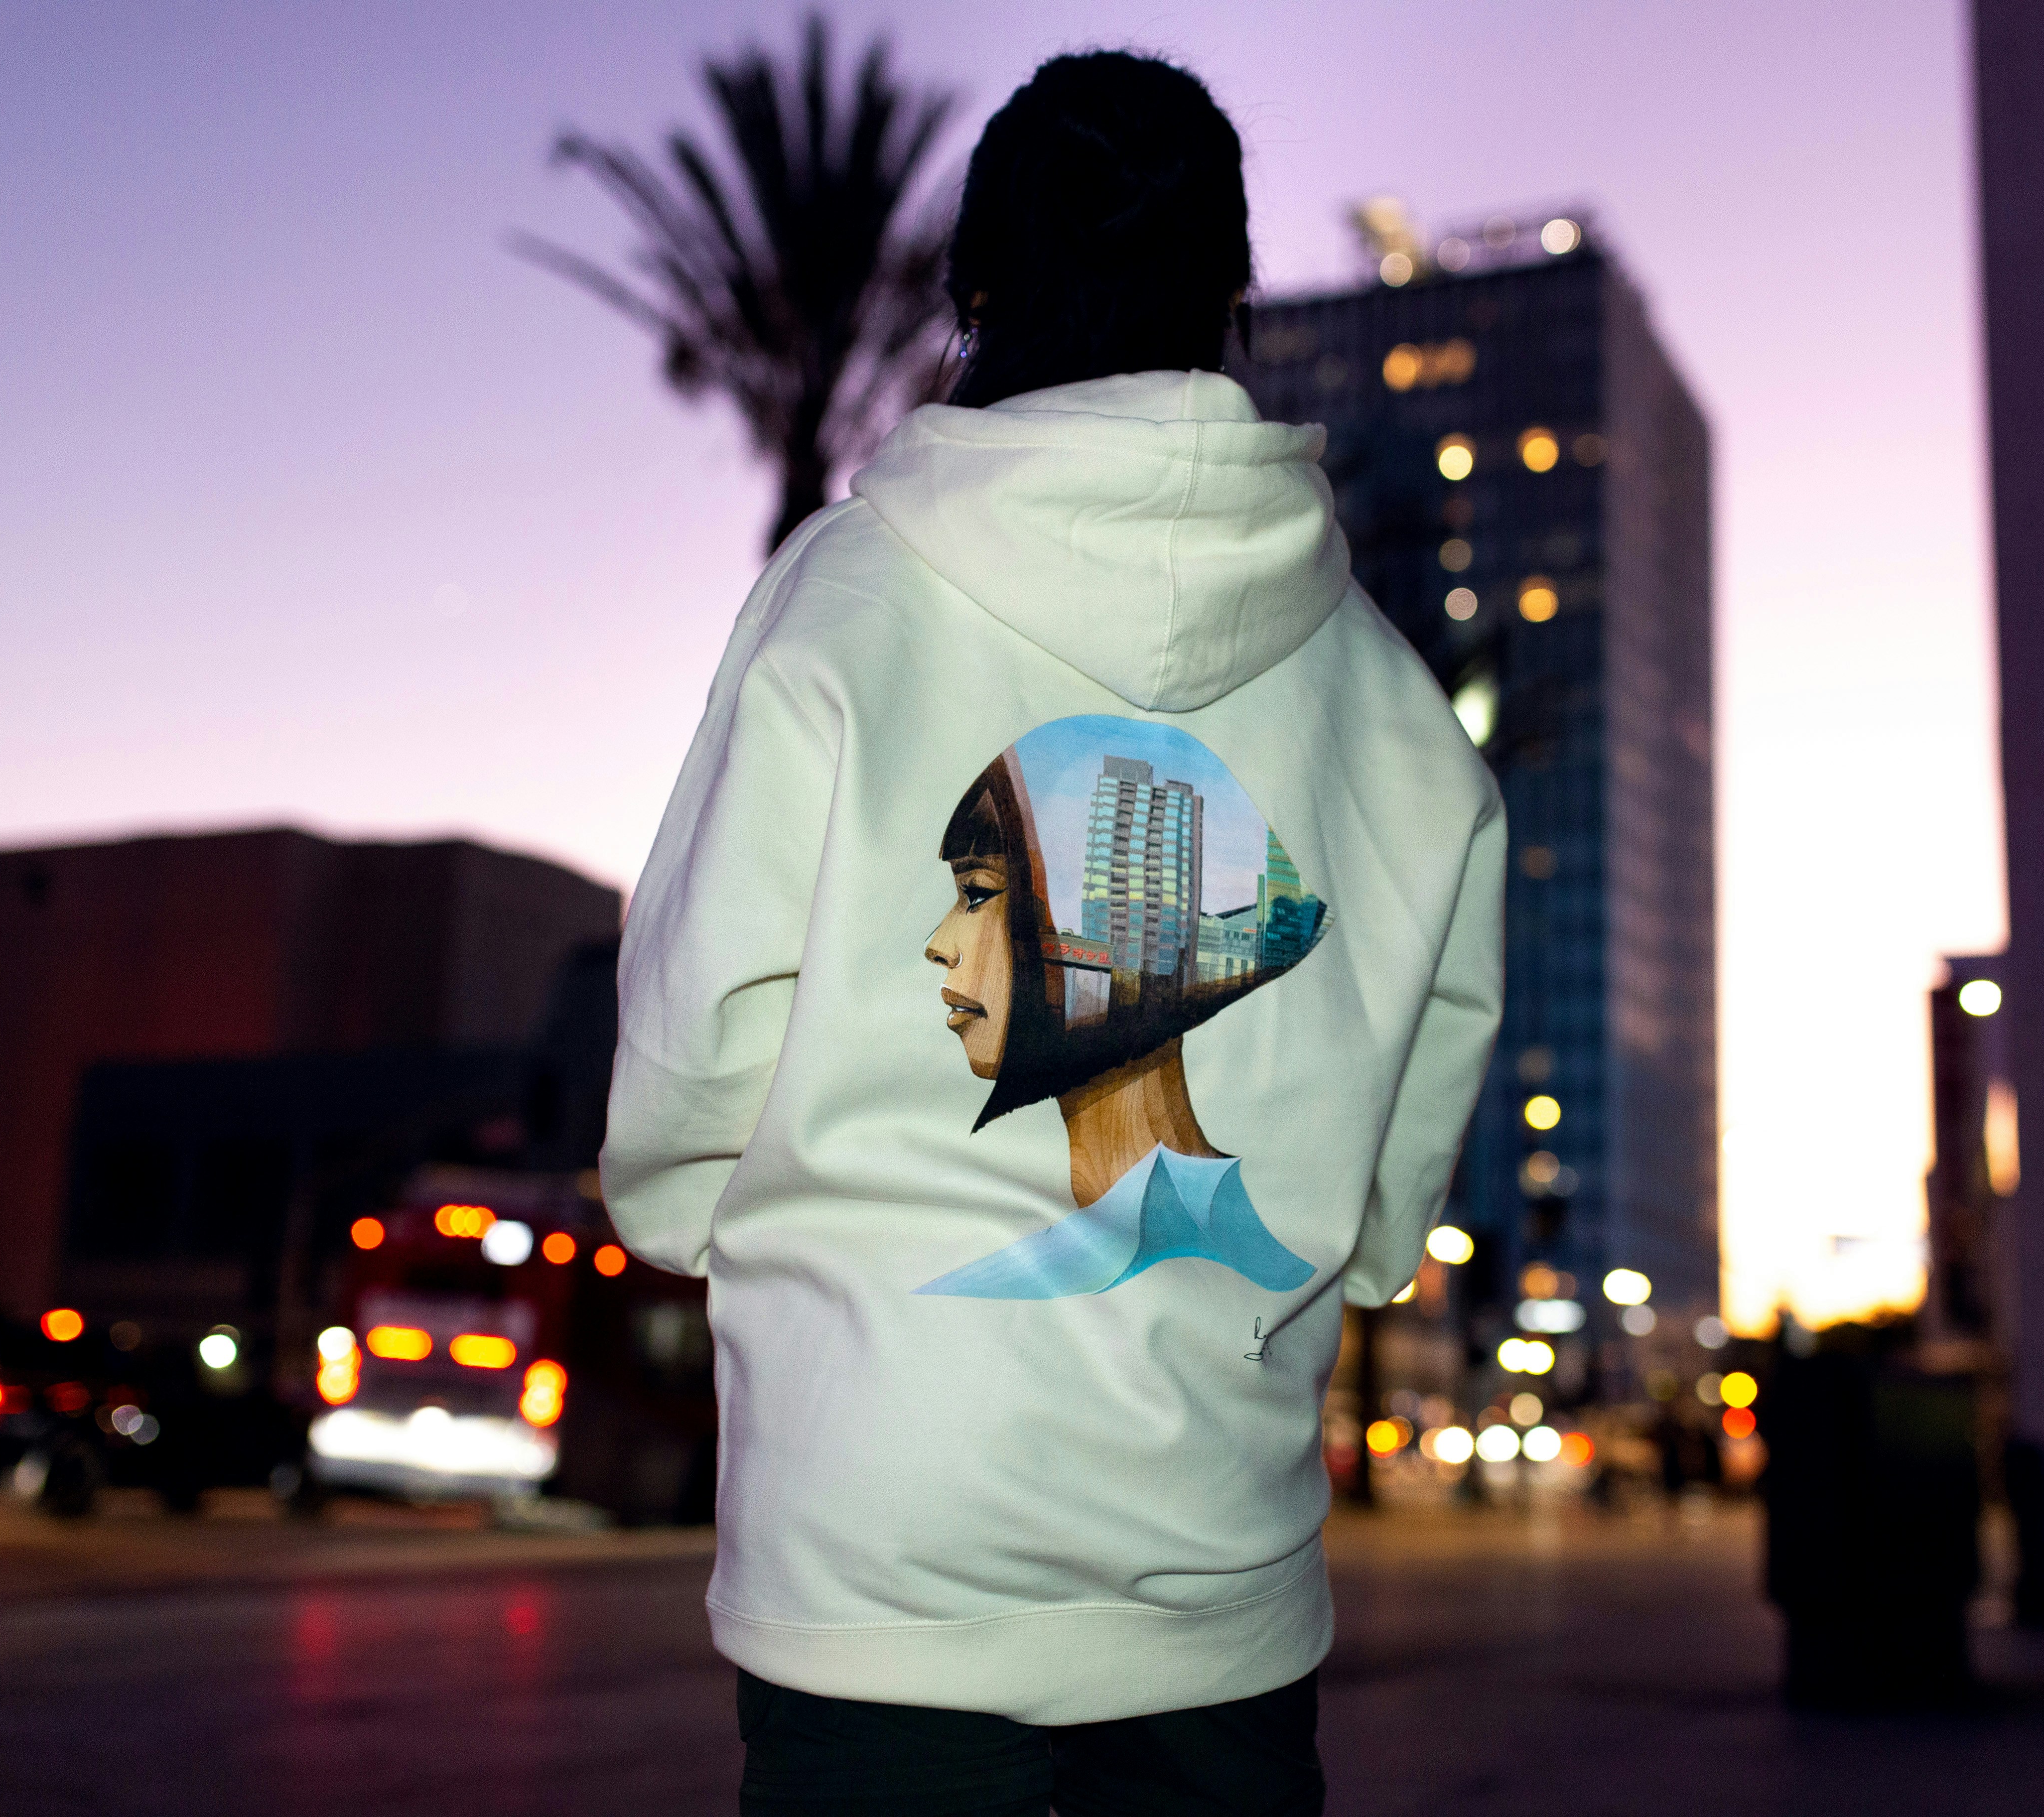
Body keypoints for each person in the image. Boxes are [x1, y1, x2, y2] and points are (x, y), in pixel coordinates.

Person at [603, 47, 1504, 1817]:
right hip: (1218, 1564)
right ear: (1231, 295)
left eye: (981, 897)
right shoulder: (1394, 702)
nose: (946, 953)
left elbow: (697, 1035)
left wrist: (767, 1261)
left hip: (877, 1559)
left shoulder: (842, 596)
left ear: (977, 287)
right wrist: (1324, 1269)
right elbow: (1401, 1165)